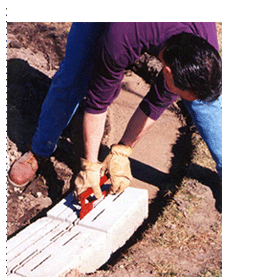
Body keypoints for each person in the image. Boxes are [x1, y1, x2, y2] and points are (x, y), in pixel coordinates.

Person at [8, 22, 222, 200]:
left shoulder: (205, 49)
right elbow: (98, 103)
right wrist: (90, 166)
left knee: (203, 100)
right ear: (167, 71)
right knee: (74, 75)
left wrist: (122, 150)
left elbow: (157, 102)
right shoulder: (123, 39)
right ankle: (39, 149)